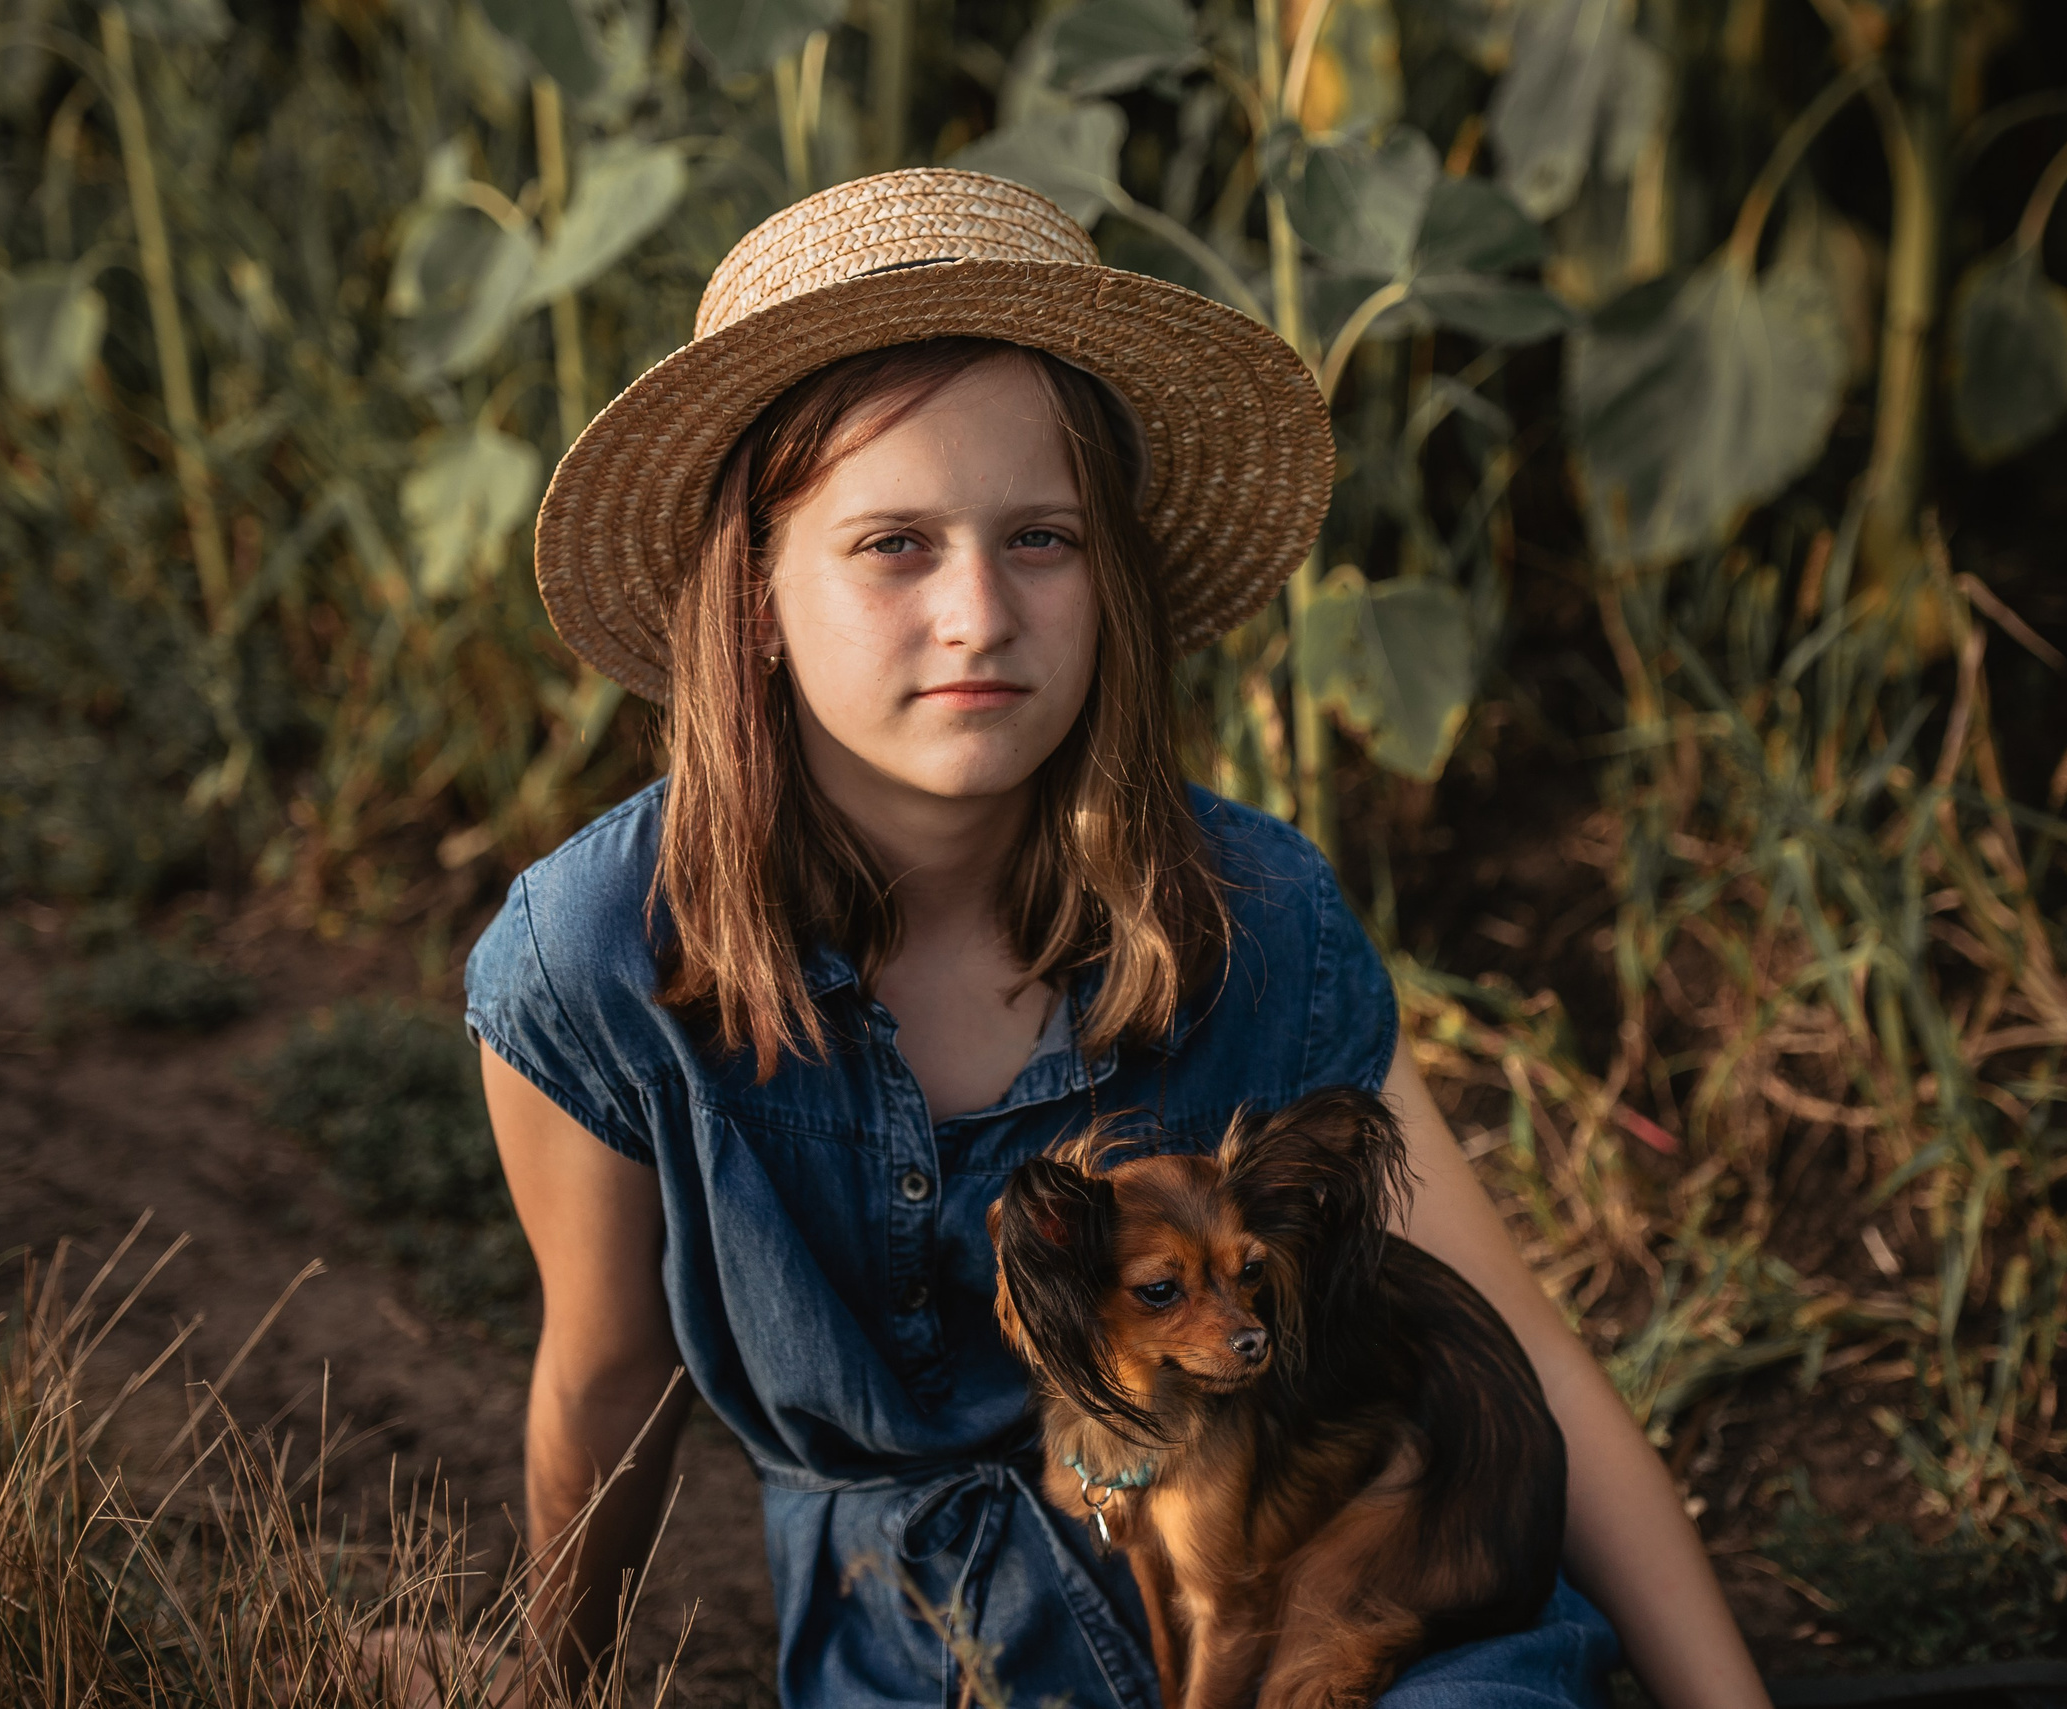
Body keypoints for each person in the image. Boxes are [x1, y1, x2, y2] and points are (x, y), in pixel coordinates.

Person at [466, 168, 1770, 1709]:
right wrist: (547, 1683)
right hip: (939, 1655)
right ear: (755, 592)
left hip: (1338, 1612)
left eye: (1041, 539)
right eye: (893, 545)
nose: (979, 615)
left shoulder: (1253, 918)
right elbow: (607, 1382)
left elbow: (1525, 1362)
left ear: (1112, 581)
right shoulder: (600, 954)